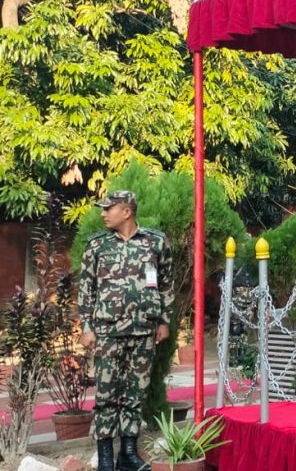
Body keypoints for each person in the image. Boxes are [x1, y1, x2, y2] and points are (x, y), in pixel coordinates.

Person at [78, 191, 172, 471]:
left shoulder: (156, 242)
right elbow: (86, 289)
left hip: (144, 331)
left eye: (109, 208)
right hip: (107, 332)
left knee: (136, 394)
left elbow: (166, 283)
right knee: (106, 395)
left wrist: (164, 321)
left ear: (127, 211)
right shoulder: (97, 245)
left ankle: (128, 453)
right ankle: (106, 456)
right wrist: (86, 326)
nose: (103, 213)